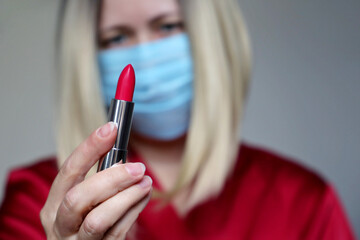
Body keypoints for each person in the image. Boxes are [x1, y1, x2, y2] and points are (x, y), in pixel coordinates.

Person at [0, 0, 356, 239]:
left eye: (168, 26)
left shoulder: (304, 200)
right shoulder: (40, 200)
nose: (145, 55)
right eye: (117, 37)